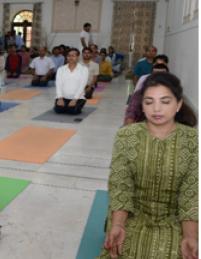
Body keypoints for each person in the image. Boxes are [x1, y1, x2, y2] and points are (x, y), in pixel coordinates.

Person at [98, 72, 198, 259]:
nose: (157, 108)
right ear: (142, 106)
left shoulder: (193, 140)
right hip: (131, 213)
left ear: (179, 105)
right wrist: (118, 224)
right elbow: (121, 186)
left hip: (174, 218)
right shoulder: (126, 135)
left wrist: (191, 236)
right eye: (149, 101)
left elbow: (191, 194)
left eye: (165, 101)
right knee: (121, 249)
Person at [54, 48, 89, 114]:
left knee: (73, 111)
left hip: (78, 98)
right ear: (67, 57)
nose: (71, 57)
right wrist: (60, 98)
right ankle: (64, 105)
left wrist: (75, 99)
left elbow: (82, 86)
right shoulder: (61, 69)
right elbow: (59, 85)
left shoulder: (84, 69)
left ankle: (73, 105)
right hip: (63, 97)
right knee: (59, 110)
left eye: (73, 55)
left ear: (78, 57)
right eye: (69, 55)